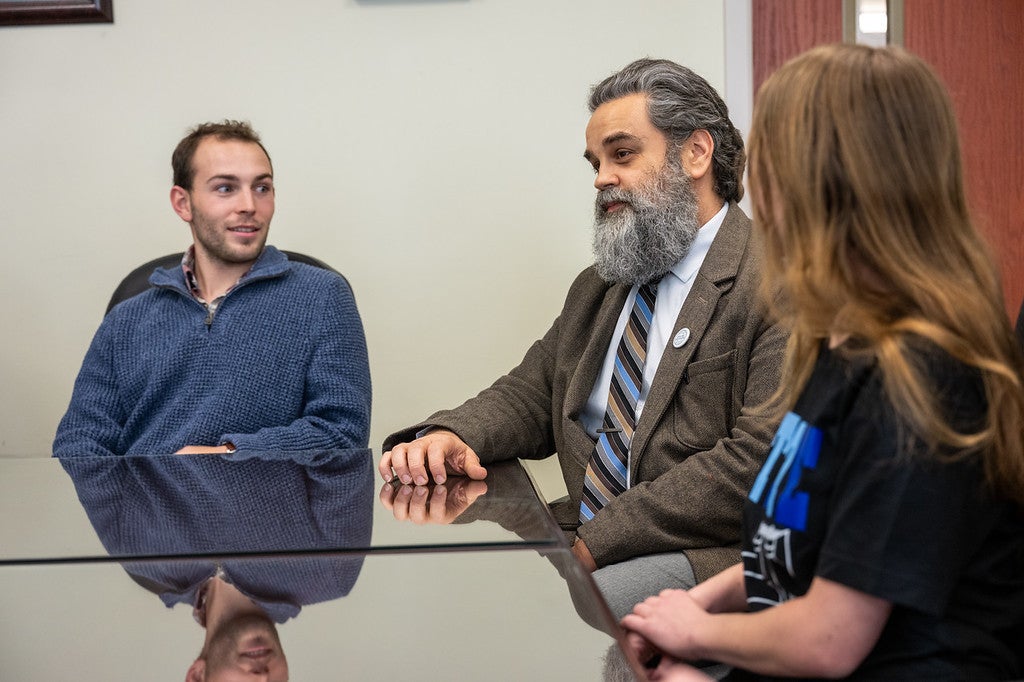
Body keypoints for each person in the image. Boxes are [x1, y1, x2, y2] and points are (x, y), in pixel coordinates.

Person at [621, 43, 1024, 680]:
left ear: (822, 187)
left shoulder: (919, 376)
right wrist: (702, 602)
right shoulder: (837, 343)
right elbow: (801, 545)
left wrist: (697, 634)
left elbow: (831, 638)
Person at [381, 59, 787, 617]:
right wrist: (455, 434)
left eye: (622, 154)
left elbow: (761, 460)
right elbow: (532, 393)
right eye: (596, 163)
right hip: (590, 533)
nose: (601, 178)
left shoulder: (780, 280)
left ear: (696, 153)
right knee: (464, 587)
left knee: (585, 602)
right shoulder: (600, 285)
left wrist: (600, 541)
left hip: (713, 552)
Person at [53, 120, 371, 457]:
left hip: (262, 492)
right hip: (144, 490)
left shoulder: (322, 296)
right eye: (225, 188)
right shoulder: (126, 319)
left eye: (262, 187)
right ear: (183, 203)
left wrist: (228, 454)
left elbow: (343, 433)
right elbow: (78, 443)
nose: (249, 205)